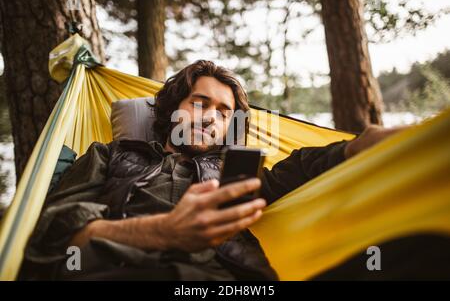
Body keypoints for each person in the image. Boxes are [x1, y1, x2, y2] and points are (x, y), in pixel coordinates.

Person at [21, 60, 402, 280]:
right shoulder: (110, 155)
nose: (211, 118)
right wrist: (164, 231)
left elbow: (301, 168)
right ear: (173, 110)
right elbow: (52, 238)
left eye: (224, 113)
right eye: (201, 102)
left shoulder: (235, 176)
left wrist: (355, 146)